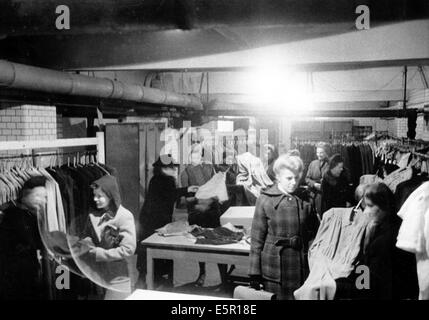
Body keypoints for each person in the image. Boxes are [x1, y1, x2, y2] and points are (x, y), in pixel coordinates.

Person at [249, 155, 317, 300]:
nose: (294, 182)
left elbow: (314, 235)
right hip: (275, 268)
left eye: (297, 178)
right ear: (278, 177)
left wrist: (315, 263)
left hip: (301, 266)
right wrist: (254, 273)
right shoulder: (265, 199)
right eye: (289, 178)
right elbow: (256, 240)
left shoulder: (306, 199)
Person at [335, 183, 419, 300]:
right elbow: (365, 270)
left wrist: (338, 287)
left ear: (384, 206)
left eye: (370, 206)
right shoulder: (390, 227)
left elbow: (368, 287)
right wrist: (344, 281)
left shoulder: (385, 241)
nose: (365, 212)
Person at [137, 155, 198, 288]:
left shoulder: (156, 179)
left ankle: (146, 280)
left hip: (149, 219)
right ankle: (158, 282)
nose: (173, 169)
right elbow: (170, 194)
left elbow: (169, 194)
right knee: (157, 250)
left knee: (148, 252)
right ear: (163, 168)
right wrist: (187, 190)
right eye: (170, 167)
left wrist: (186, 191)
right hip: (156, 220)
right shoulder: (165, 180)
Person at [80, 175, 136, 299]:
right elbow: (86, 235)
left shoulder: (124, 216)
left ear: (110, 195)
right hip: (96, 276)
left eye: (100, 196)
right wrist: (86, 243)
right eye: (94, 195)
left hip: (118, 276)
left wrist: (99, 253)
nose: (95, 199)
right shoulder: (92, 215)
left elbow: (128, 250)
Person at [180, 143, 227, 287]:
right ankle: (202, 273)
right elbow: (183, 199)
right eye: (194, 152)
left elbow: (218, 189)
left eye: (199, 152)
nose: (197, 155)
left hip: (212, 212)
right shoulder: (186, 172)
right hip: (197, 214)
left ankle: (224, 279)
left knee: (219, 245)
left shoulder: (209, 168)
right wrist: (197, 198)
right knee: (200, 246)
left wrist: (212, 197)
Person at [0, 176, 48, 300]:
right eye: (38, 196)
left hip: (30, 277)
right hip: (14, 282)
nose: (43, 201)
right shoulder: (9, 216)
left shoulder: (33, 215)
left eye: (45, 197)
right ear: (24, 195)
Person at [305, 142, 330, 217]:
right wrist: (314, 184)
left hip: (326, 196)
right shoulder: (313, 164)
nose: (319, 154)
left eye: (321, 152)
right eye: (317, 152)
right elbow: (307, 178)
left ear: (326, 152)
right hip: (313, 195)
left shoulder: (330, 164)